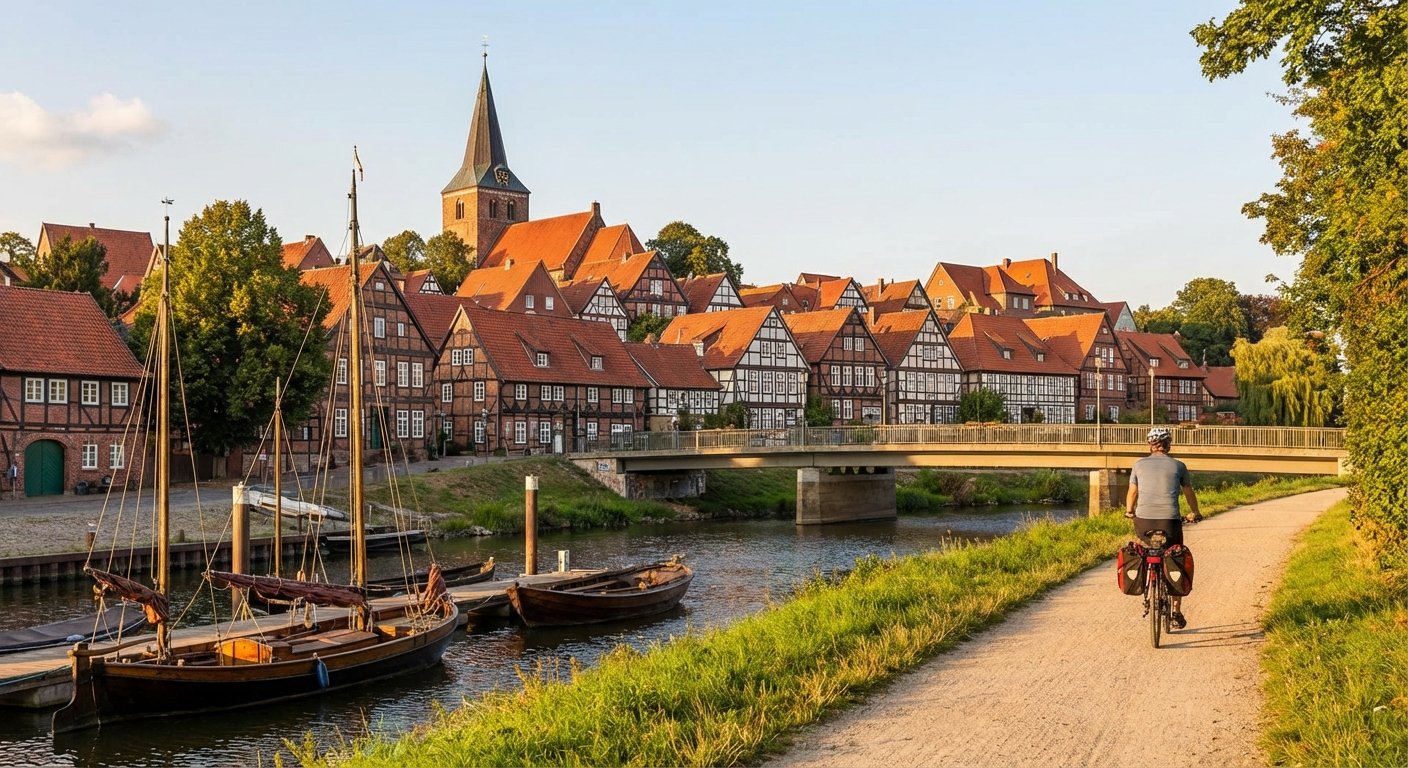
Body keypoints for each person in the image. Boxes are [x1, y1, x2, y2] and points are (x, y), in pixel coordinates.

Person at [1125, 426, 1201, 629]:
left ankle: (1149, 575)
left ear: (1150, 445)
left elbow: (1133, 492)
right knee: (1176, 557)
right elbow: (1188, 493)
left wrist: (1129, 511)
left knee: (1148, 548)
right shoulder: (1178, 466)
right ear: (1168, 445)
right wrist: (1195, 513)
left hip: (1143, 522)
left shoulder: (1138, 465)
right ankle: (1175, 612)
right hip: (1170, 522)